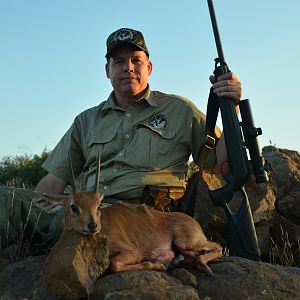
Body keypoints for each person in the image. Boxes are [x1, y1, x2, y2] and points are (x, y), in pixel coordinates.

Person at [0, 27, 242, 251]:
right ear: (108, 71)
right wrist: (30, 215)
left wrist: (231, 109)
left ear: (149, 67)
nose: (128, 67)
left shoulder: (180, 110)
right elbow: (52, 183)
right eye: (119, 62)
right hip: (85, 211)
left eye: (136, 60)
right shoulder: (86, 121)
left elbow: (220, 166)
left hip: (135, 219)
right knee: (5, 200)